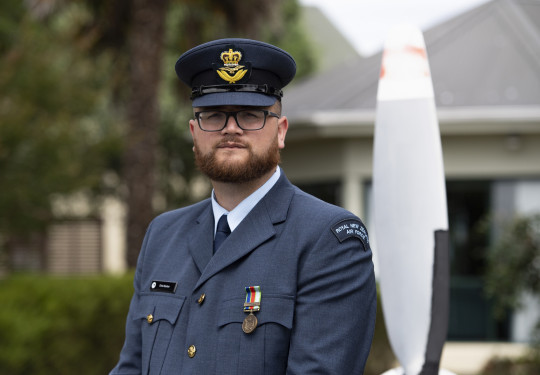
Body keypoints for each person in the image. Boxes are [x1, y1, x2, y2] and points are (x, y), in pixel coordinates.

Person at [110, 38, 376, 375]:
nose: (231, 128)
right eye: (214, 115)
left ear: (280, 131)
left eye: (251, 115)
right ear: (194, 134)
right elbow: (131, 367)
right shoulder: (163, 235)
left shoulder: (329, 240)